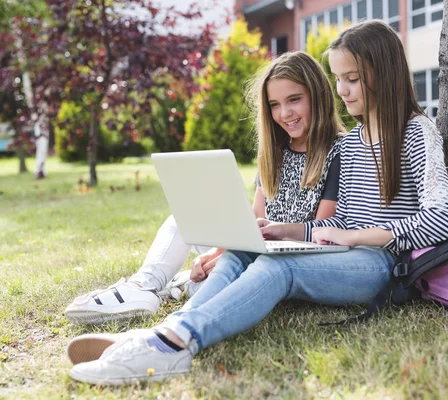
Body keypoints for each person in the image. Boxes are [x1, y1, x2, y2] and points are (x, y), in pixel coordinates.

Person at [67, 20, 448, 385]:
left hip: (381, 264)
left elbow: (439, 221)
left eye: (352, 79)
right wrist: (283, 230)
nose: (342, 91)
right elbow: (337, 227)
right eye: (339, 80)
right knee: (240, 254)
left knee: (276, 266)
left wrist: (359, 236)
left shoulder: (417, 133)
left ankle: (174, 344)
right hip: (347, 253)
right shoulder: (353, 143)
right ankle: (167, 330)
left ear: (383, 74)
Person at [64, 51, 344, 325]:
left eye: (294, 99)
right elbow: (252, 223)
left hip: (287, 263)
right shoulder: (274, 151)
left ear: (317, 96)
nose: (285, 113)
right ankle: (143, 287)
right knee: (183, 221)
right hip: (255, 251)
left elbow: (318, 235)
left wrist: (229, 256)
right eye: (274, 104)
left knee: (220, 285)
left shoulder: (338, 151)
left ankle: (178, 286)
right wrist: (217, 252)